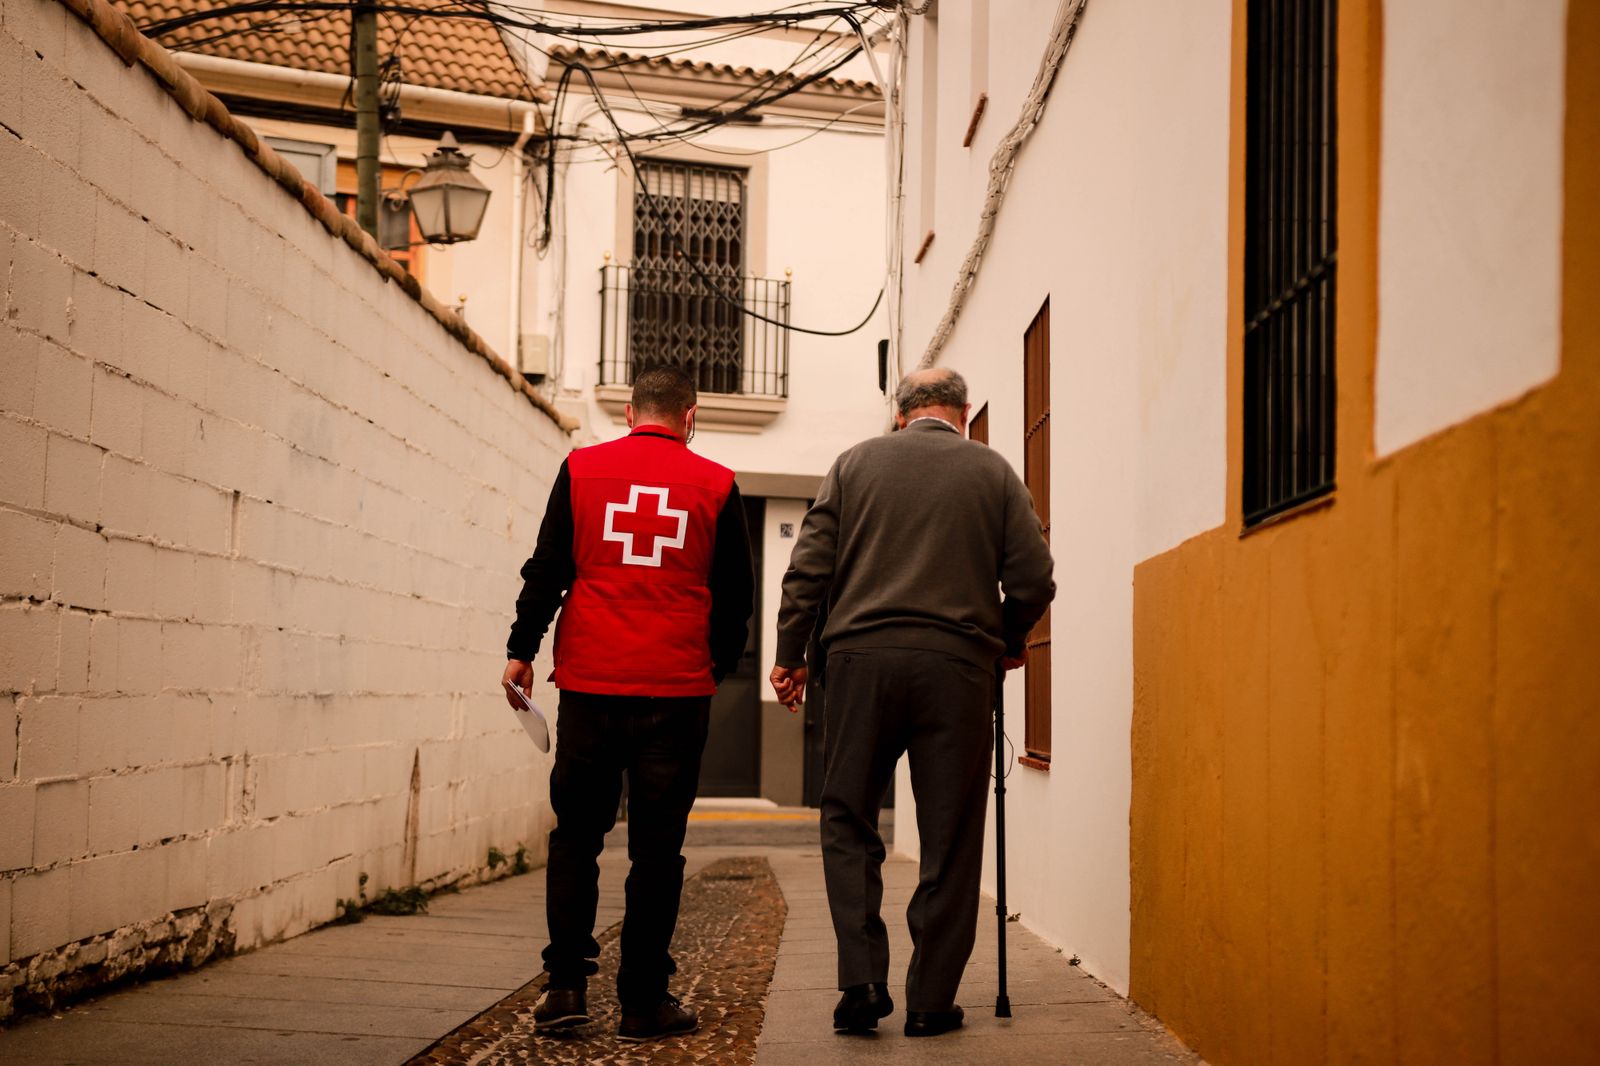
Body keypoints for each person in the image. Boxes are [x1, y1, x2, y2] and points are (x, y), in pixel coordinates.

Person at [769, 367, 1055, 1039]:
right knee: (950, 836)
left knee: (848, 818)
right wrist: (1008, 639)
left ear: (900, 414)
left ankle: (862, 981)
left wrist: (790, 655)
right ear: (964, 412)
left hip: (860, 664)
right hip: (957, 669)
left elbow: (808, 569)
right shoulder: (993, 472)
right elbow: (1034, 576)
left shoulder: (853, 465)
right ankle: (931, 1001)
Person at [502, 365, 754, 1043]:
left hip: (590, 683)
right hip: (676, 690)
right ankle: (643, 1002)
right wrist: (713, 667)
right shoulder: (717, 484)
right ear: (690, 417)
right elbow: (736, 596)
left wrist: (522, 647)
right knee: (657, 851)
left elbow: (547, 568)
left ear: (629, 412)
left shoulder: (581, 470)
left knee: (576, 837)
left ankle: (564, 988)